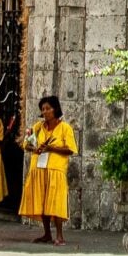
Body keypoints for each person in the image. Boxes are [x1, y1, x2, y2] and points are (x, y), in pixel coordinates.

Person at [18, 95, 77, 245]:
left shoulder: (65, 128)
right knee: (42, 201)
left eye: (48, 109)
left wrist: (52, 148)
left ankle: (60, 235)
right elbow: (26, 144)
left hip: (56, 169)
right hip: (39, 168)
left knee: (56, 202)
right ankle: (46, 234)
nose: (45, 112)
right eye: (43, 109)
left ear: (55, 109)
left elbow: (70, 149)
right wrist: (34, 148)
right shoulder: (38, 127)